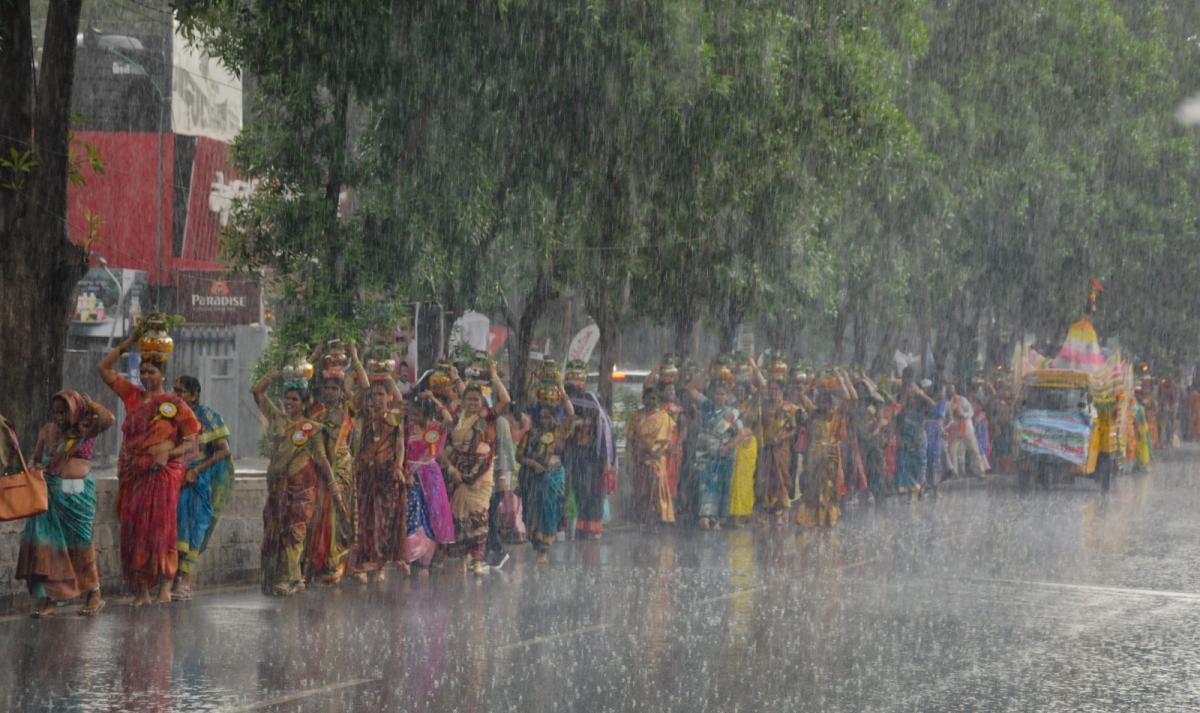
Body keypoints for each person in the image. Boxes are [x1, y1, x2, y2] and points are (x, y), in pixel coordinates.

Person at [98, 332, 201, 607]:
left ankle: (165, 585)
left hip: (162, 476)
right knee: (133, 530)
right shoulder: (132, 395)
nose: (145, 376)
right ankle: (141, 589)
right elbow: (103, 369)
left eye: (152, 371)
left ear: (163, 375)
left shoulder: (175, 405)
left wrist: (168, 453)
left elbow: (193, 446)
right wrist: (124, 345)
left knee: (161, 529)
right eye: (142, 371)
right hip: (133, 473)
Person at [17, 390, 115, 617]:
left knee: (81, 544)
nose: (58, 417)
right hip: (50, 493)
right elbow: (35, 458)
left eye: (64, 412)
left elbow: (109, 418)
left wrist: (88, 402)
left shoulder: (84, 429)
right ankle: (53, 599)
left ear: (75, 411)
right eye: (55, 412)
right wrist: (34, 468)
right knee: (51, 547)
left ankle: (93, 593)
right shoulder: (47, 430)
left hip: (77, 494)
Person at [253, 371, 336, 596]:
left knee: (295, 530)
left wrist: (333, 485)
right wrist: (278, 373)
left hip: (302, 487)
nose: (289, 403)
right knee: (276, 530)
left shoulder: (312, 429)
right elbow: (257, 391)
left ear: (304, 402)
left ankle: (290, 578)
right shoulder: (278, 419)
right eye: (287, 399)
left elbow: (321, 458)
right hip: (277, 487)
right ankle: (294, 577)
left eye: (294, 399)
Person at [171, 375, 235, 601]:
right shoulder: (169, 415)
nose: (177, 395)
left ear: (194, 395)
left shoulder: (207, 416)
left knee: (195, 529)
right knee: (175, 529)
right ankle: (171, 577)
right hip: (173, 479)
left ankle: (185, 580)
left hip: (197, 480)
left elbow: (223, 451)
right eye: (175, 390)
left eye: (182, 392)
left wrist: (196, 471)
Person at [441, 364, 510, 575]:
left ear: (482, 403)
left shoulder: (485, 418)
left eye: (476, 400)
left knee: (479, 518)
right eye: (468, 399)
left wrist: (495, 376)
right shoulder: (457, 419)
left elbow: (505, 401)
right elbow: (444, 446)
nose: (472, 403)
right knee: (460, 517)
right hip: (458, 474)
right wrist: (452, 469)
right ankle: (464, 557)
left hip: (480, 475)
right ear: (463, 401)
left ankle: (478, 561)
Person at [305, 341, 362, 585]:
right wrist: (313, 357)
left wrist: (355, 357)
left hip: (343, 467)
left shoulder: (348, 410)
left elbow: (366, 387)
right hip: (319, 469)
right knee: (320, 515)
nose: (329, 391)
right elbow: (298, 383)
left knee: (340, 514)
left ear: (341, 392)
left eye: (334, 388)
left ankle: (337, 562)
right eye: (326, 387)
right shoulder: (314, 412)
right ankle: (320, 562)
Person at [351, 375, 408, 583]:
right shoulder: (364, 417)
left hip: (386, 475)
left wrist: (399, 467)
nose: (377, 398)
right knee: (365, 520)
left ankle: (379, 565)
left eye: (381, 394)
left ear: (389, 396)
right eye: (374, 394)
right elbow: (359, 395)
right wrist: (359, 363)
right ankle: (365, 563)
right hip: (366, 475)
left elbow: (400, 445)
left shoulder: (394, 419)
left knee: (382, 522)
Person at [517, 385, 575, 562]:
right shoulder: (531, 434)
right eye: (541, 417)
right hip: (534, 478)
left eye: (548, 417)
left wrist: (562, 393)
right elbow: (519, 456)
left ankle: (545, 547)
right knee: (533, 510)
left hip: (554, 476)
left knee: (550, 509)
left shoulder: (560, 432)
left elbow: (571, 415)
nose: (544, 420)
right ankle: (537, 541)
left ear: (555, 417)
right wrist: (533, 463)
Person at [563, 364, 617, 539]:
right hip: (577, 455)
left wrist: (582, 423)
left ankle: (592, 527)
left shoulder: (591, 402)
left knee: (593, 492)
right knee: (580, 491)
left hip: (592, 457)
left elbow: (600, 428)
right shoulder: (566, 403)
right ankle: (581, 526)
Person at [404, 392, 456, 573]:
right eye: (411, 413)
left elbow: (449, 421)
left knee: (433, 514)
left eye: (417, 413)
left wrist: (434, 399)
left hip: (430, 477)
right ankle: (411, 555)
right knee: (413, 514)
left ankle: (426, 558)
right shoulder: (406, 430)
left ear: (425, 413)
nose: (412, 416)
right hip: (409, 476)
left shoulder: (434, 429)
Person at [796, 371, 854, 528]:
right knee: (812, 487)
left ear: (830, 403)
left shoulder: (835, 416)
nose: (822, 405)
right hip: (814, 456)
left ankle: (827, 518)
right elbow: (802, 396)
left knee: (828, 487)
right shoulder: (814, 414)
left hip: (830, 456)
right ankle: (812, 517)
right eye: (820, 402)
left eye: (825, 402)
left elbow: (848, 398)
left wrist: (842, 380)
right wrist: (812, 381)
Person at [687, 379, 742, 529]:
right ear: (712, 395)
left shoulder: (732, 413)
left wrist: (727, 447)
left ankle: (717, 519)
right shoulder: (707, 407)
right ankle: (705, 516)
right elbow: (690, 389)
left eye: (722, 394)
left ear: (727, 396)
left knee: (722, 486)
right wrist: (705, 371)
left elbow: (740, 434)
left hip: (724, 456)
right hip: (706, 453)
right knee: (706, 484)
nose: (719, 396)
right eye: (717, 393)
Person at [757, 361, 802, 525]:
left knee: (782, 475)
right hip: (768, 447)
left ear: (782, 391)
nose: (773, 392)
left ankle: (784, 507)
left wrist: (782, 438)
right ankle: (770, 505)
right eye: (771, 390)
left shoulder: (788, 408)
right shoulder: (765, 407)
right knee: (768, 476)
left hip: (782, 448)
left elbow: (793, 429)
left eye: (776, 390)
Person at [627, 387, 676, 526]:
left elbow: (667, 439)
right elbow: (631, 438)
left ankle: (658, 519)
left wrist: (656, 452)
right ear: (643, 400)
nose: (652, 401)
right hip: (639, 459)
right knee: (641, 491)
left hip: (656, 460)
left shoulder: (663, 417)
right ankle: (643, 518)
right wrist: (630, 458)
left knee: (656, 490)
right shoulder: (637, 416)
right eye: (649, 398)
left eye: (654, 398)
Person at [895, 368, 934, 495]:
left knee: (919, 468)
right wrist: (905, 395)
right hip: (905, 440)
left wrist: (920, 394)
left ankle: (920, 490)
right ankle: (908, 493)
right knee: (905, 468)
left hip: (919, 440)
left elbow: (934, 406)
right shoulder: (900, 395)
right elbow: (897, 414)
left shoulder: (920, 399)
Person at [947, 384, 986, 478]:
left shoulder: (962, 400)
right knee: (952, 451)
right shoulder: (948, 403)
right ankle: (955, 473)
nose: (950, 392)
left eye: (951, 390)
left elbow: (971, 411)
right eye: (948, 390)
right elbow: (948, 417)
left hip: (967, 427)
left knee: (974, 449)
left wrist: (962, 414)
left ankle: (980, 471)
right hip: (955, 430)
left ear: (954, 390)